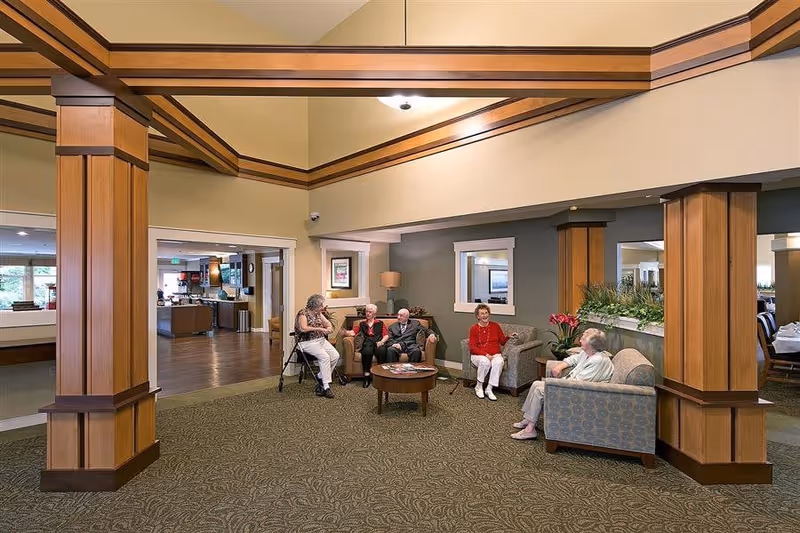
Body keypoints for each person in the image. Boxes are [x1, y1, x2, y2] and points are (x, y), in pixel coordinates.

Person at [511, 328, 614, 440]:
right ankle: (530, 419)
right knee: (536, 384)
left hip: (584, 394)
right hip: (572, 385)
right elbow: (572, 359)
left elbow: (580, 383)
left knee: (539, 390)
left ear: (592, 344)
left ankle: (530, 429)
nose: (580, 341)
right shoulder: (587, 353)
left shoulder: (598, 361)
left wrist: (558, 383)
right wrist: (559, 366)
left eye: (583, 339)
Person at [294, 294, 340, 398]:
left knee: (335, 356)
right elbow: (303, 328)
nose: (323, 307)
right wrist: (321, 329)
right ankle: (326, 386)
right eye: (321, 305)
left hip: (320, 340)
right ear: (316, 306)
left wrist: (329, 328)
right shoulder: (303, 313)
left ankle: (320, 376)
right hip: (306, 342)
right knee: (325, 357)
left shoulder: (318, 313)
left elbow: (327, 323)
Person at [468, 303, 517, 401]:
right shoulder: (473, 329)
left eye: (486, 313)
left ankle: (489, 389)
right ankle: (479, 386)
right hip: (478, 355)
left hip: (495, 354)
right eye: (482, 313)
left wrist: (508, 336)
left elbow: (502, 342)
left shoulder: (495, 326)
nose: (485, 315)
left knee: (499, 362)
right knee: (484, 362)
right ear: (478, 316)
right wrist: (486, 355)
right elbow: (472, 347)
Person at [343, 303, 389, 388]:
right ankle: (366, 377)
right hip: (367, 343)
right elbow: (353, 332)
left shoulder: (380, 323)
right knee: (367, 353)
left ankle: (381, 376)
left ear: (374, 314)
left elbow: (386, 335)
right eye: (367, 312)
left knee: (382, 351)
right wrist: (346, 332)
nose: (368, 313)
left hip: (378, 342)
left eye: (370, 312)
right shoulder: (362, 324)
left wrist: (382, 341)